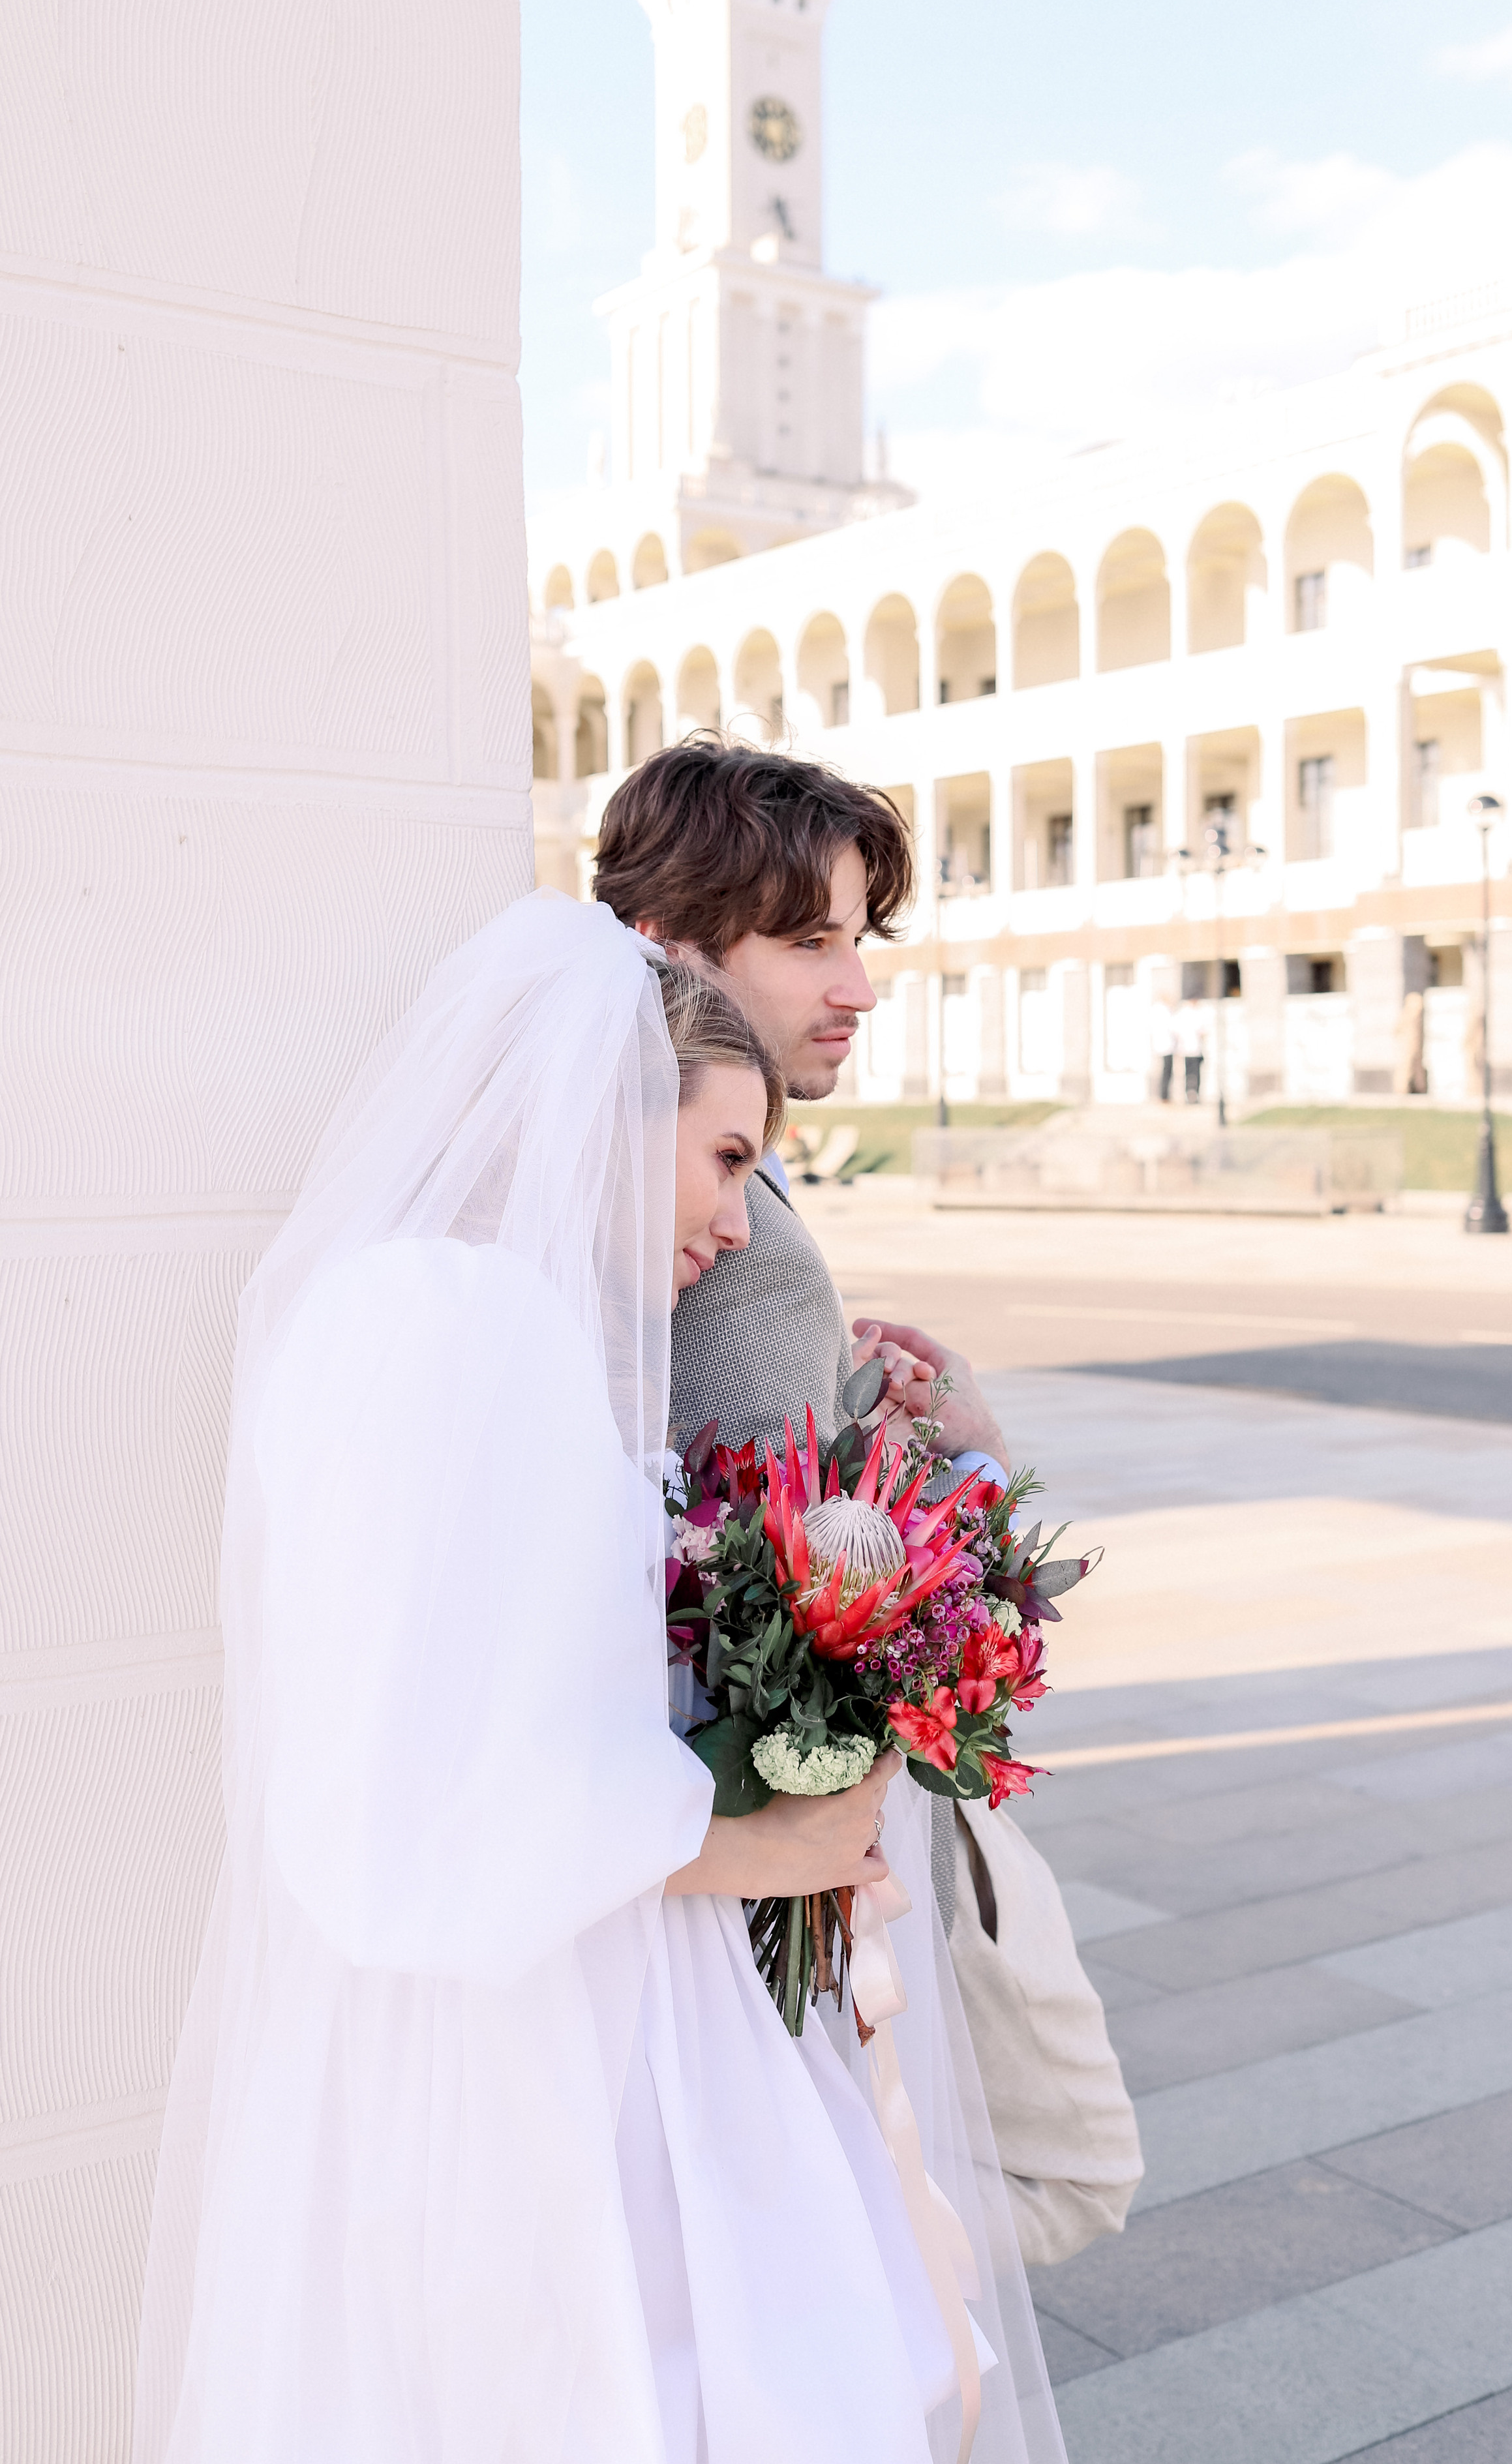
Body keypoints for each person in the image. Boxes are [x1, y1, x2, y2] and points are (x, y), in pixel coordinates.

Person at [132, 888, 1065, 2464]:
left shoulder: (468, 1316)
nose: (734, 1218)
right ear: (599, 1118)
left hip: (576, 1982)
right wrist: (757, 1843)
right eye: (721, 1161)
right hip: (526, 2032)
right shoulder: (460, 1326)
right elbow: (409, 1794)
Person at [596, 739, 1142, 2270]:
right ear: (669, 945)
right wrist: (965, 1457)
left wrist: (859, 1405)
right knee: (1050, 2170)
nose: (857, 982)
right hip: (840, 1825)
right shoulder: (736, 1230)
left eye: (861, 937)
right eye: (809, 938)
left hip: (790, 1824)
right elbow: (819, 1586)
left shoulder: (706, 1190)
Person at [1175, 994, 1207, 1104]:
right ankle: (1191, 1095)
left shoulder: (1184, 1014)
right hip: (1191, 1049)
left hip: (1191, 1049)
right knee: (1192, 1074)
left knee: (1192, 1074)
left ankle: (1191, 1095)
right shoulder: (1191, 1014)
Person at [1149, 993, 1177, 1103]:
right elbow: (1172, 1028)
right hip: (1166, 1046)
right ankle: (1164, 1095)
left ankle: (1163, 1095)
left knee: (1164, 1071)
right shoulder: (1165, 1011)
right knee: (1167, 1071)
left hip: (1161, 1045)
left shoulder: (1156, 1010)